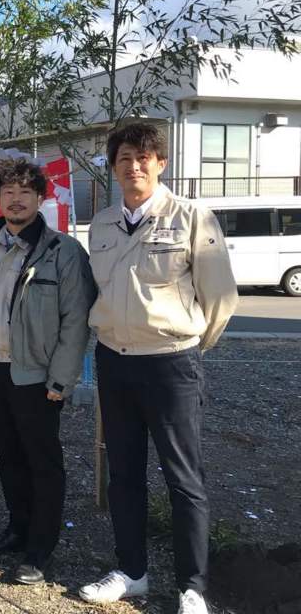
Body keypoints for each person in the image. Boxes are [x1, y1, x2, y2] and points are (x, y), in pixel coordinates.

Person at [79, 124, 238, 614]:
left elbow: (221, 299)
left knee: (183, 478)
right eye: (125, 157)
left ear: (161, 163)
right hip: (114, 361)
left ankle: (192, 585)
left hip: (171, 365)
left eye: (145, 157)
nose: (135, 166)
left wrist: (186, 346)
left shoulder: (192, 217)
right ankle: (132, 572)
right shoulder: (102, 224)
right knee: (124, 474)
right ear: (113, 166)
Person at [0, 161, 96, 585]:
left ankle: (40, 550)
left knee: (43, 462)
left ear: (41, 199)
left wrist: (61, 380)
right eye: (8, 191)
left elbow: (76, 321)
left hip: (38, 377)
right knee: (9, 458)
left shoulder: (63, 251)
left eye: (25, 191)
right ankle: (17, 529)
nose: (16, 199)